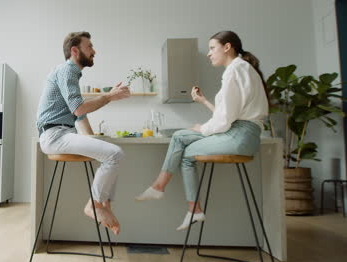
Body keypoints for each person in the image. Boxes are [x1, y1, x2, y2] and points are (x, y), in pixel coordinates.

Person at [135, 31, 269, 231]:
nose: (209, 53)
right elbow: (230, 114)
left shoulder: (234, 70)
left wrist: (203, 128)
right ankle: (192, 209)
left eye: (212, 48)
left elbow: (224, 121)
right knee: (185, 149)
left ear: (227, 47)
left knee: (181, 138)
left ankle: (160, 188)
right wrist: (204, 101)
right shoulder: (243, 68)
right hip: (244, 135)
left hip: (240, 135)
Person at [36, 31, 130, 235]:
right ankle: (94, 205)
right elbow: (79, 109)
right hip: (55, 135)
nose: (94, 51)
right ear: (74, 50)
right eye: (90, 47)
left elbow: (77, 116)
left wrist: (93, 139)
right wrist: (109, 97)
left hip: (60, 133)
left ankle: (104, 204)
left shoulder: (69, 73)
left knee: (111, 154)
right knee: (115, 154)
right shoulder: (67, 70)